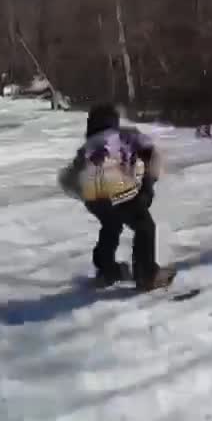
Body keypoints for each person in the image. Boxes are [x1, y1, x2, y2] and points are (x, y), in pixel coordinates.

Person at [57, 103, 173, 291]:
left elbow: (68, 178)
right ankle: (146, 274)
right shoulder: (126, 135)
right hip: (122, 189)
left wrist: (86, 195)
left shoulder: (87, 147)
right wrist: (148, 185)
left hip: (95, 197)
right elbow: (152, 155)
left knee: (111, 225)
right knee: (144, 226)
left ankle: (106, 269)